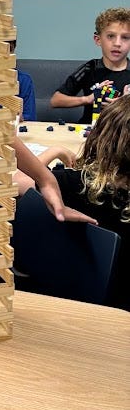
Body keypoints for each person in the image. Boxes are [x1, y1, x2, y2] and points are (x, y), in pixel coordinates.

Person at [23, 96, 130, 309]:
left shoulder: (73, 183)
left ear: (101, 137)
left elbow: (15, 180)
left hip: (64, 297)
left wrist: (55, 151)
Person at [50, 7, 130, 124]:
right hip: (89, 132)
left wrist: (124, 106)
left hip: (123, 134)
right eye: (110, 36)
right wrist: (87, 99)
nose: (117, 43)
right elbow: (55, 100)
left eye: (125, 37)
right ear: (98, 40)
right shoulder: (89, 68)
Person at [8, 39, 36, 121]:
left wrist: (21, 118)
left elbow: (30, 118)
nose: (4, 55)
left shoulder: (24, 81)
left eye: (9, 49)